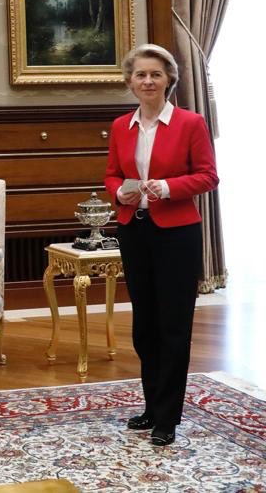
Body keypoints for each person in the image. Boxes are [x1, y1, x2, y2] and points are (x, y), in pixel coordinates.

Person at [104, 43, 218, 447]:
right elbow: (112, 174)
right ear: (130, 82)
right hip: (135, 231)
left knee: (173, 325)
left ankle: (168, 418)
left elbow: (208, 176)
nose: (148, 81)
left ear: (169, 79)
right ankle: (152, 406)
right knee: (144, 325)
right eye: (140, 74)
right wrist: (121, 194)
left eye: (155, 74)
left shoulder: (190, 123)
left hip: (177, 234)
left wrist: (168, 187)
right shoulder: (121, 126)